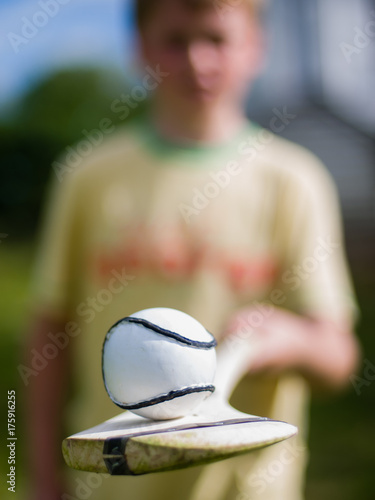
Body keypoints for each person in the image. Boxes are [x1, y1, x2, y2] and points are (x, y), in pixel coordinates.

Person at [25, 0, 360, 499]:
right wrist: (42, 479)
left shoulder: (295, 181)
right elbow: (48, 333)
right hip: (111, 486)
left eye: (217, 39)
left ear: (255, 48)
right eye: (176, 41)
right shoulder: (87, 175)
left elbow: (339, 356)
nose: (198, 61)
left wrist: (290, 339)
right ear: (140, 49)